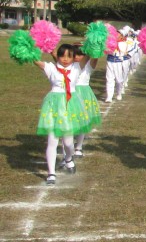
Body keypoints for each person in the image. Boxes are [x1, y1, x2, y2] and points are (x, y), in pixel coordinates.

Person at [35, 44, 92, 185]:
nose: (65, 59)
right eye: (62, 56)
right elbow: (34, 59)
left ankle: (68, 158)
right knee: (52, 140)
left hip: (70, 106)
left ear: (73, 57)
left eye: (69, 56)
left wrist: (92, 42)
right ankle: (51, 173)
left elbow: (90, 53)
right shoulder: (51, 68)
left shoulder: (77, 68)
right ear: (57, 56)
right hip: (53, 106)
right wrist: (28, 48)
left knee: (67, 142)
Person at [71, 46, 101, 157]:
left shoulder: (88, 65)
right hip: (71, 93)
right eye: (75, 55)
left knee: (83, 121)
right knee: (71, 118)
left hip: (84, 94)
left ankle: (79, 146)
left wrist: (97, 45)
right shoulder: (69, 66)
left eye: (80, 55)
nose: (77, 57)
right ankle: (71, 142)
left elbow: (95, 58)